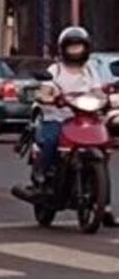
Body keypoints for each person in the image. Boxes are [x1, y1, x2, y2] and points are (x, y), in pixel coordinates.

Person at [21, 26, 117, 226]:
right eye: (72, 47)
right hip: (57, 118)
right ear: (63, 49)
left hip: (85, 118)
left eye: (79, 47)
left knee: (103, 149)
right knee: (50, 141)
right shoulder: (54, 70)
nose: (75, 51)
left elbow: (98, 91)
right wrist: (50, 98)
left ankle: (104, 206)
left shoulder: (90, 70)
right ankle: (42, 180)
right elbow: (44, 91)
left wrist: (105, 99)